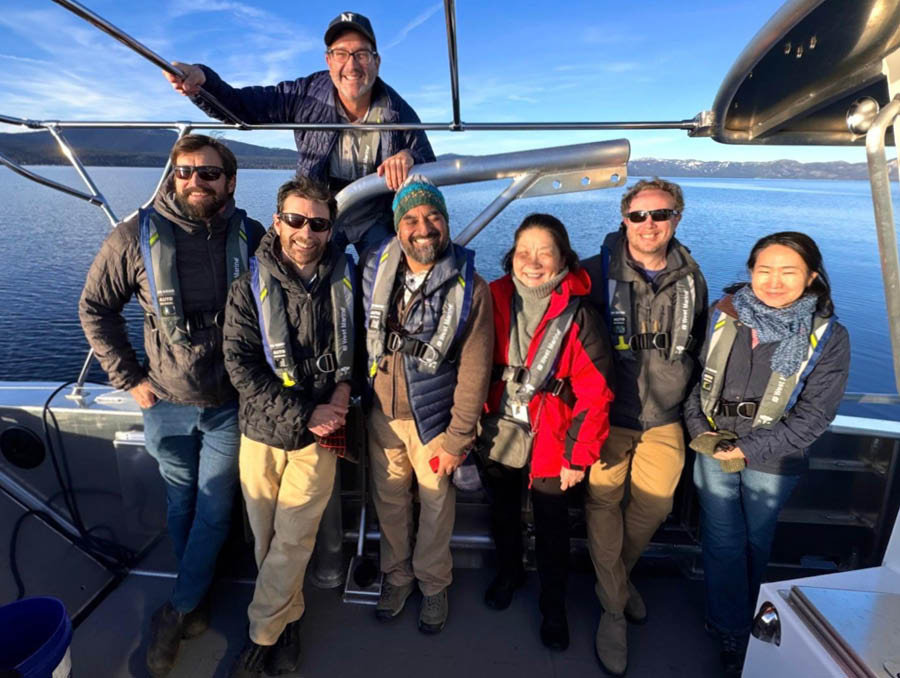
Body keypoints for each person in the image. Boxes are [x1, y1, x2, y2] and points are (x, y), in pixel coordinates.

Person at [79, 134, 266, 677]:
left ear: (230, 182)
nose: (195, 182)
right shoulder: (132, 238)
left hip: (230, 401)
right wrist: (129, 378)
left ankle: (178, 607)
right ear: (171, 175)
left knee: (214, 507)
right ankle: (197, 600)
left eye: (209, 173)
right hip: (164, 400)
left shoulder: (250, 235)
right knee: (182, 505)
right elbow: (95, 309)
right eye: (185, 171)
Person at [684, 231, 850, 674]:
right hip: (714, 445)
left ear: (812, 277)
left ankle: (745, 620)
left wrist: (749, 448)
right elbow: (694, 380)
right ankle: (731, 630)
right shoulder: (722, 316)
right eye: (764, 270)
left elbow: (815, 415)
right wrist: (701, 430)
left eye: (788, 272)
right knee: (722, 539)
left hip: (773, 457)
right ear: (750, 272)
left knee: (756, 541)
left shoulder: (828, 337)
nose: (774, 282)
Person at [221, 177, 356, 677]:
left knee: (294, 539)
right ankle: (289, 620)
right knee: (265, 542)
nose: (306, 232)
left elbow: (356, 355)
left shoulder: (346, 283)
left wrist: (341, 393)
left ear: (329, 229)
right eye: (296, 220)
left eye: (318, 224)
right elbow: (241, 368)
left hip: (318, 439)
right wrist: (304, 413)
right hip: (261, 433)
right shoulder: (245, 289)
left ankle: (260, 635)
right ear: (277, 222)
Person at [163, 11, 435, 257]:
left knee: (391, 272)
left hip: (375, 217)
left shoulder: (397, 112)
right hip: (319, 210)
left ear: (376, 62)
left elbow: (430, 167)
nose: (352, 66)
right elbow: (242, 107)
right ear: (328, 60)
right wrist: (203, 81)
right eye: (341, 54)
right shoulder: (304, 95)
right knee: (280, 265)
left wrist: (408, 156)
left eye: (361, 54)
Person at [580, 177, 708, 676]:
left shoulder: (692, 279)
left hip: (666, 417)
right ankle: (613, 610)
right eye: (639, 216)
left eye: (661, 214)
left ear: (677, 217)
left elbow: (698, 346)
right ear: (624, 219)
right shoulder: (595, 274)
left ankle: (613, 580)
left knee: (654, 506)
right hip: (608, 415)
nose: (649, 224)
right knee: (603, 502)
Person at [361, 174, 493, 634]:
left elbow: (475, 370)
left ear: (446, 222)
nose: (423, 227)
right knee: (390, 501)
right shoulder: (375, 272)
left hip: (435, 421)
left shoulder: (471, 288)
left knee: (437, 506)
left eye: (433, 216)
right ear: (398, 228)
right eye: (412, 218)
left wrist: (459, 437)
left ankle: (434, 585)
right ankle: (396, 576)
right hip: (383, 416)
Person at [482, 214, 614, 650]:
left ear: (562, 258)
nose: (532, 262)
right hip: (498, 432)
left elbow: (596, 394)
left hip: (553, 441)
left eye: (544, 253)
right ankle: (509, 572)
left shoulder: (579, 315)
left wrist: (578, 456)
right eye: (524, 252)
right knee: (501, 513)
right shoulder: (492, 298)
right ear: (511, 257)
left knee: (552, 527)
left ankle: (553, 606)